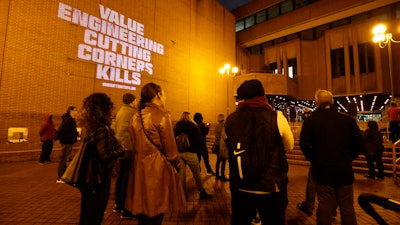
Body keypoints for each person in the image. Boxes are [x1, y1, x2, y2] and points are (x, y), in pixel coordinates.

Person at [225, 79, 294, 225]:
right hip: (270, 187)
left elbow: (229, 148)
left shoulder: (231, 119)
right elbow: (290, 146)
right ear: (263, 95)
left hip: (240, 186)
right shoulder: (277, 117)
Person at [300, 89, 365, 225]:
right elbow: (359, 144)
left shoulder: (311, 121)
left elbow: (304, 145)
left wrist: (315, 159)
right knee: (347, 207)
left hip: (322, 170)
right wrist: (348, 157)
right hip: (344, 170)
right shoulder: (347, 120)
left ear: (316, 103)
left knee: (324, 205)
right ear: (332, 101)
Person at [125, 83, 186, 225]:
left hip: (139, 168)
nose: (165, 97)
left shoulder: (136, 116)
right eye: (164, 93)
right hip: (158, 170)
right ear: (158, 94)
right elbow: (171, 150)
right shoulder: (162, 115)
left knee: (143, 212)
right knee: (156, 212)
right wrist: (177, 165)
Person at [75, 93, 125, 225]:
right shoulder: (102, 129)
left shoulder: (90, 127)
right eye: (110, 107)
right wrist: (120, 150)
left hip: (88, 178)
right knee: (95, 216)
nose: (112, 111)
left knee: (87, 215)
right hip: (98, 179)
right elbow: (104, 156)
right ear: (103, 109)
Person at [174, 112, 213, 200]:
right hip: (191, 153)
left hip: (179, 153)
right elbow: (200, 140)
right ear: (189, 117)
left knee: (182, 175)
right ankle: (202, 192)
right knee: (196, 173)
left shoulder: (176, 126)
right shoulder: (193, 126)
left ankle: (183, 194)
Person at [112, 93, 138, 219]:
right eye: (135, 100)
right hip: (128, 149)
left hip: (121, 148)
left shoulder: (121, 111)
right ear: (132, 102)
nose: (137, 102)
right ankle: (125, 209)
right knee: (126, 179)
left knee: (121, 177)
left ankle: (118, 204)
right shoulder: (132, 112)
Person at [56, 106, 79, 183]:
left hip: (69, 141)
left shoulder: (71, 120)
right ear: (71, 111)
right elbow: (61, 129)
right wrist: (56, 137)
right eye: (75, 110)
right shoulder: (67, 120)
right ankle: (61, 177)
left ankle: (64, 175)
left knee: (65, 159)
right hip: (66, 141)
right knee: (63, 159)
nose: (77, 112)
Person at [214, 114, 228, 181]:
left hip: (217, 144)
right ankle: (222, 176)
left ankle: (217, 175)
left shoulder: (216, 126)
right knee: (223, 160)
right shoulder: (224, 126)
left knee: (218, 161)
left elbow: (216, 136)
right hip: (222, 145)